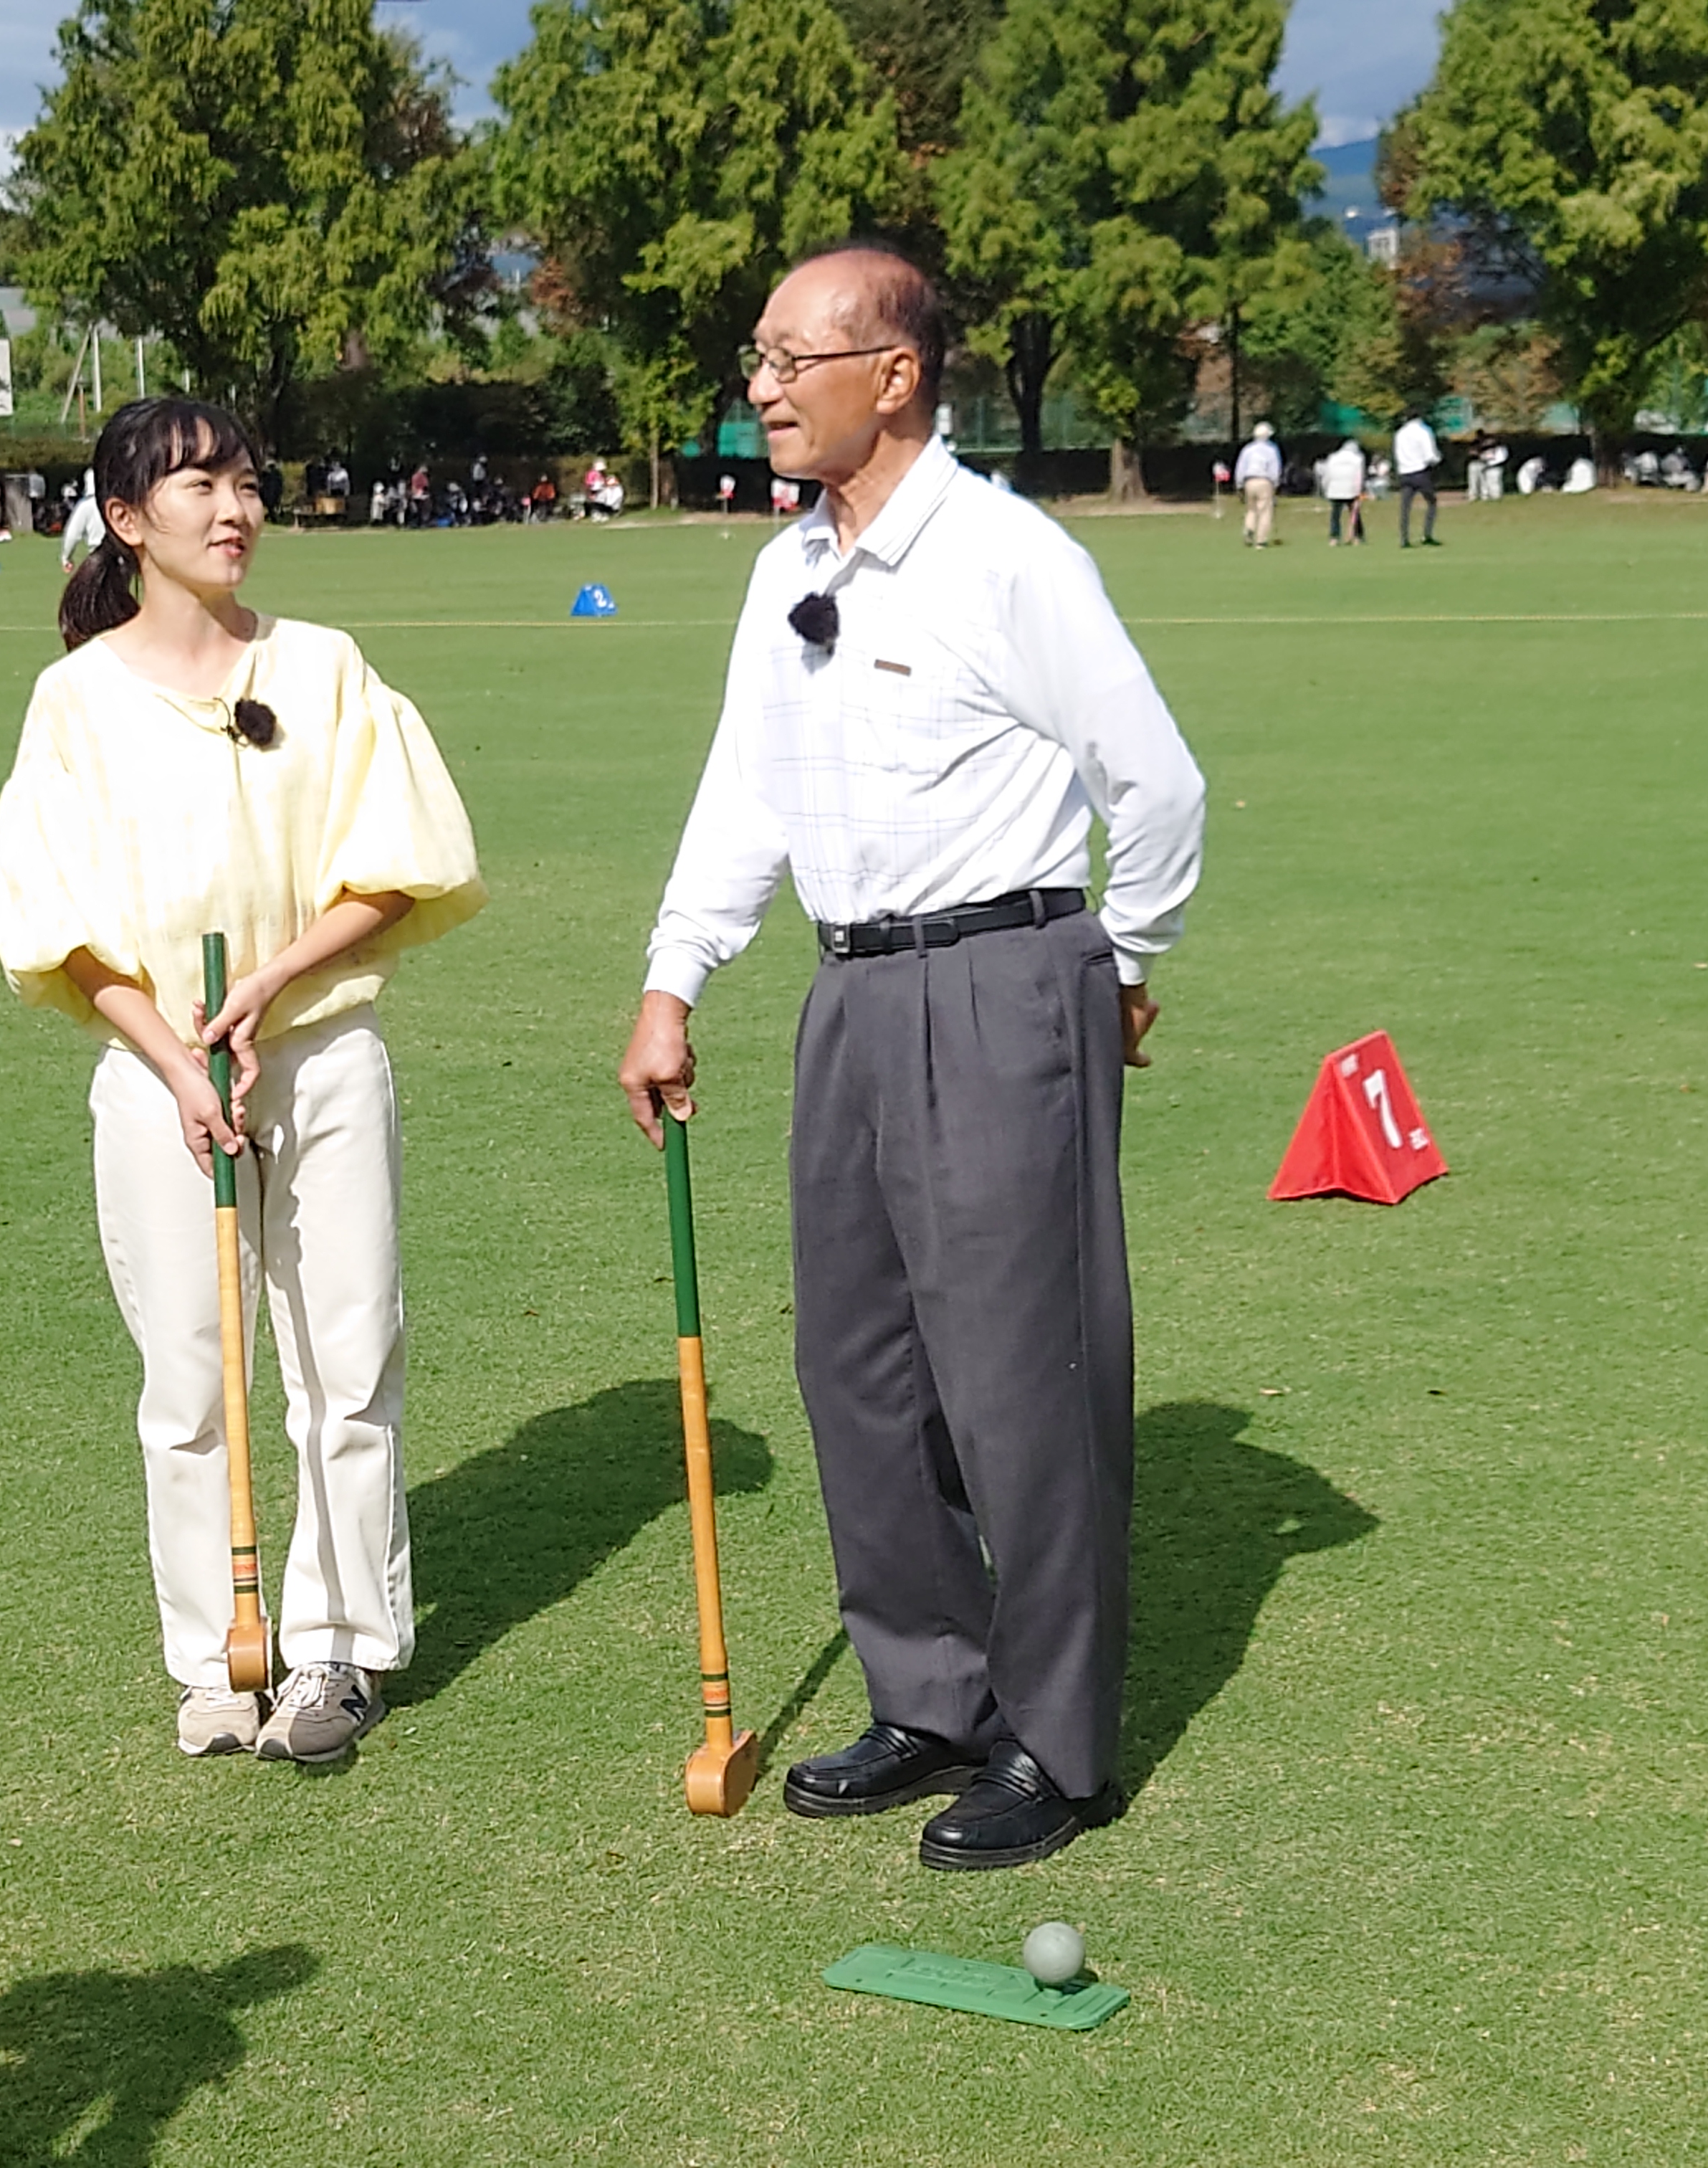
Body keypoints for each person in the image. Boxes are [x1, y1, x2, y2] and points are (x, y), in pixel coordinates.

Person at [617, 244, 1206, 1871]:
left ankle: (1057, 1745)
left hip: (1006, 979)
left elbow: (1155, 783)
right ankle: (932, 1694)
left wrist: (1122, 960)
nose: (761, 387)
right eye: (756, 357)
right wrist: (673, 981)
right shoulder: (785, 570)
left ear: (894, 376)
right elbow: (747, 789)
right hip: (851, 993)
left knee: (1022, 1379)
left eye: (791, 359)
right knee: (858, 1367)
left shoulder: (1009, 558)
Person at [0, 396, 484, 1767]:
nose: (233, 508)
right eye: (197, 484)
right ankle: (218, 1658)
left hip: (318, 1051)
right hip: (160, 1076)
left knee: (346, 1359)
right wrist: (176, 1052)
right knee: (190, 1379)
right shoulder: (74, 700)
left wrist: (266, 986)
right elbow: (54, 921)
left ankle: (334, 1646)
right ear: (125, 518)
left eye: (246, 483)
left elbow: (403, 861)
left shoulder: (323, 666)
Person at [1393, 409, 1441, 546]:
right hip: (1420, 472)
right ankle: (1427, 534)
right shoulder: (1423, 431)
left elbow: (1398, 453)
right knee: (1431, 502)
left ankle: (1404, 538)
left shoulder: (1400, 433)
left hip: (1404, 472)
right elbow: (1430, 455)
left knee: (1405, 507)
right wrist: (1437, 460)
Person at [1234, 421, 1280, 547]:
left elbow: (1241, 468)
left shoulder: (1247, 449)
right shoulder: (1271, 450)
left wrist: (1239, 485)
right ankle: (1261, 540)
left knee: (1251, 509)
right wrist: (1276, 484)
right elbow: (1274, 469)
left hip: (1249, 480)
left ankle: (1249, 530)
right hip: (1265, 480)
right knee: (1265, 511)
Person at [1320, 437, 1367, 545]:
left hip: (1334, 489)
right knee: (1355, 514)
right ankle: (1357, 537)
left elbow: (1327, 475)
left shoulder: (1333, 457)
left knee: (1335, 515)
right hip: (1351, 490)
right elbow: (1360, 476)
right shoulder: (1358, 459)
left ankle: (1334, 538)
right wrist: (1360, 490)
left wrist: (1325, 488)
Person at [60, 467, 108, 568]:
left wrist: (66, 557)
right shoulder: (115, 503)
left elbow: (72, 534)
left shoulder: (85, 505)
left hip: (97, 555)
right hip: (120, 557)